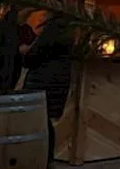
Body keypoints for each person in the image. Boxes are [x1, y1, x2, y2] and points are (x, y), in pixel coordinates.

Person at [21, 14, 74, 169]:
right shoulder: (68, 32)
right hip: (58, 83)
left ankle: (40, 159)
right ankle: (47, 160)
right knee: (45, 123)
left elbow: (32, 57)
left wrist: (25, 51)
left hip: (42, 83)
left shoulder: (50, 31)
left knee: (39, 123)